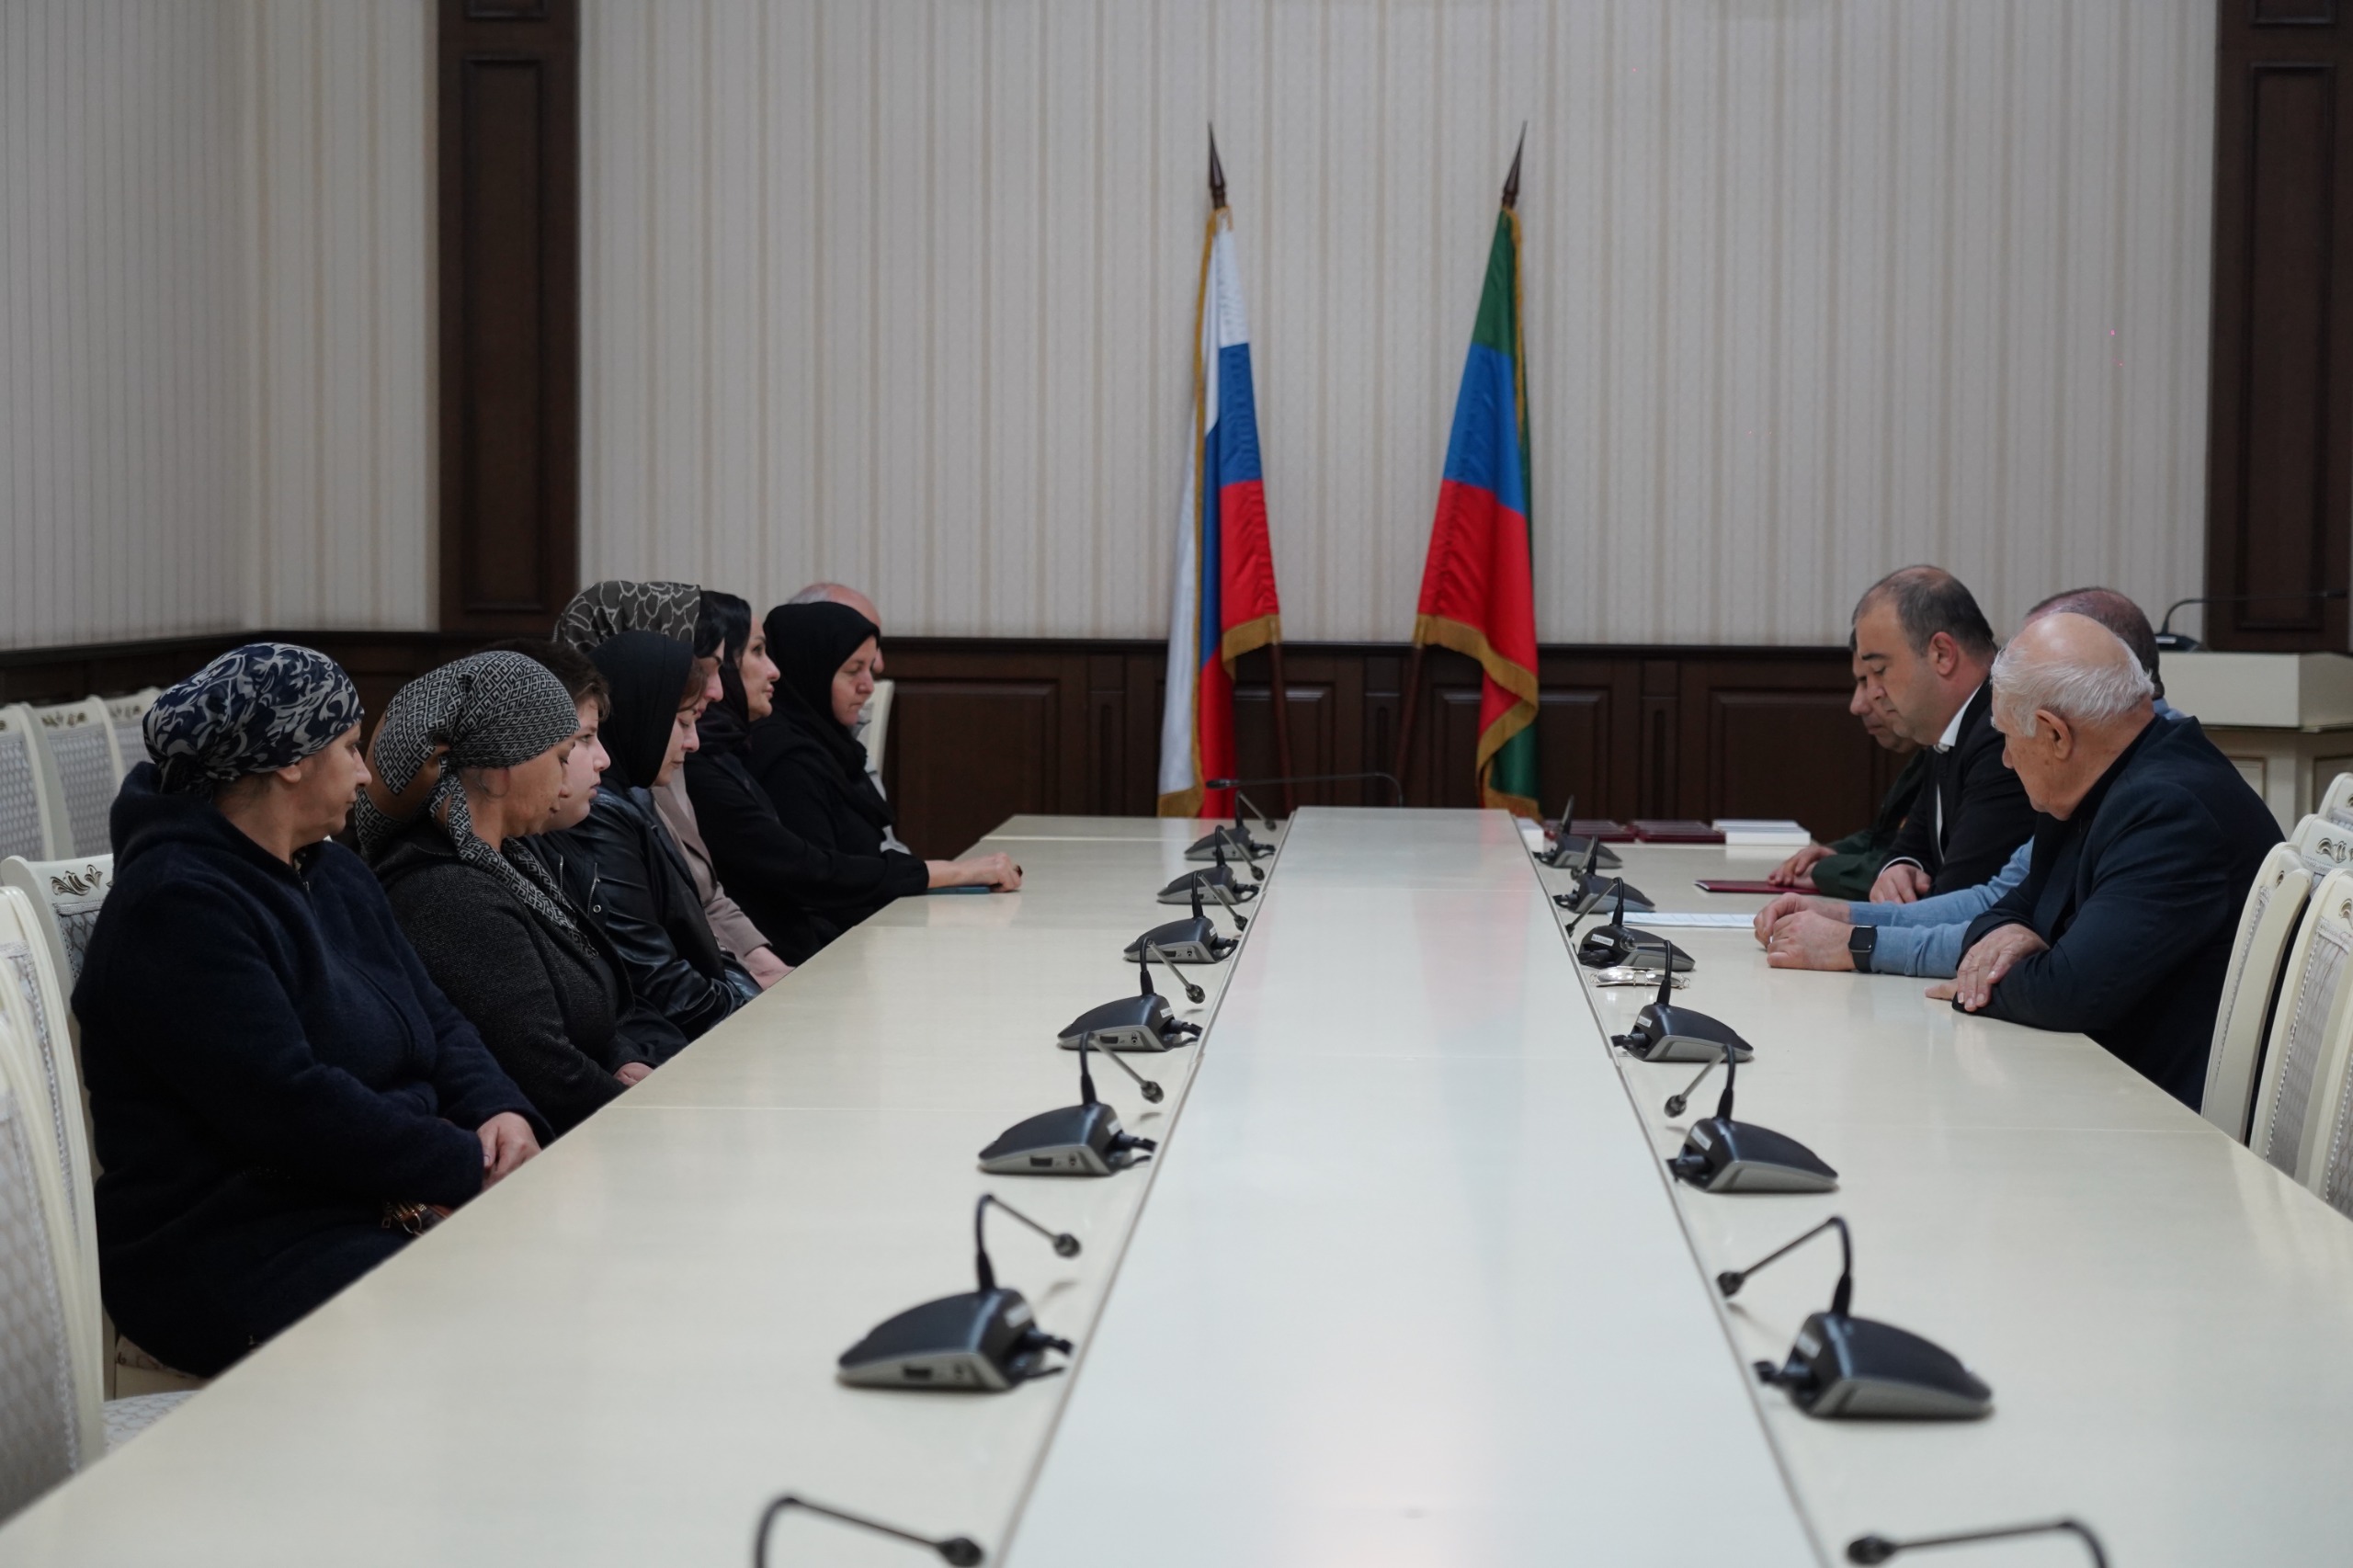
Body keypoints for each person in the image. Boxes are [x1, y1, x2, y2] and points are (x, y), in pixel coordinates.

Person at [74, 644, 544, 1376]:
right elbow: (288, 1107)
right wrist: (463, 1165)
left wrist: (498, 1112)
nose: (365, 774)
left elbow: (436, 1015)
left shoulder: (333, 870)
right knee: (500, 1319)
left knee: (565, 1260)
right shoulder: (176, 904)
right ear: (292, 760)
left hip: (362, 1200)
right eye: (351, 748)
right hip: (236, 1244)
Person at [1934, 613, 2277, 1104]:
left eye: (2006, 736)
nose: (2006, 759)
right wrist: (2008, 938)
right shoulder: (2092, 783)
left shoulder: (2170, 812)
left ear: (2055, 735)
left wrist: (1978, 984)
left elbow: (2069, 994)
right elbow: (2006, 911)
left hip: (2166, 1114)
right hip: (2108, 1081)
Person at [1756, 587, 2182, 979]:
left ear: (2098, 674)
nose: (2008, 756)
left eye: (2023, 669)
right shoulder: (2086, 769)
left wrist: (1856, 943)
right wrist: (1846, 919)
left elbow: (2070, 970)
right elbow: (1992, 901)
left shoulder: (2160, 797)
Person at [368, 652, 688, 1138]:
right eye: (561, 756)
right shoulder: (449, 892)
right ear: (504, 768)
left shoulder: (509, 856)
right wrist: (652, 1118)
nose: (568, 774)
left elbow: (593, 1004)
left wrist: (623, 1058)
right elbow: (541, 1069)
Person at [689, 600, 1018, 963]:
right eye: (852, 670)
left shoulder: (805, 746)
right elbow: (810, 875)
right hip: (813, 957)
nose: (868, 686)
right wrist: (946, 872)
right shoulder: (775, 758)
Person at [552, 580, 790, 988]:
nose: (716, 690)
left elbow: (705, 896)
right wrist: (749, 991)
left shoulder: (665, 763)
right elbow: (657, 973)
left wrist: (764, 971)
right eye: (703, 667)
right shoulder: (600, 804)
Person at [546, 631, 754, 1040]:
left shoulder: (632, 793)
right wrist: (756, 1012)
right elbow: (657, 982)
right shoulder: (597, 813)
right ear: (644, 714)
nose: (693, 742)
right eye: (683, 722)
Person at [1853, 566, 2034, 902]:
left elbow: (1961, 897)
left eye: (1879, 669)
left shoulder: (2003, 734)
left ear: (1942, 654)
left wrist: (1845, 921)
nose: (1873, 693)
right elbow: (1911, 845)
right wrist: (1899, 869)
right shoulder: (1948, 728)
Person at [1768, 642, 1927, 896]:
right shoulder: (1931, 752)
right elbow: (1884, 838)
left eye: (1878, 675)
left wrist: (1825, 870)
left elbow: (1922, 869)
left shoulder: (1971, 747)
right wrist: (1835, 853)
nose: (1858, 705)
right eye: (1863, 682)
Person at [787, 581, 904, 850]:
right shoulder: (789, 759)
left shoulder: (841, 737)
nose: (878, 666)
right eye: (854, 666)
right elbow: (830, 867)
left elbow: (885, 848)